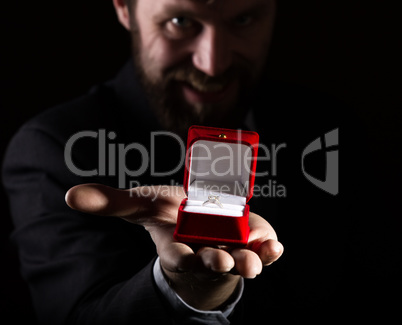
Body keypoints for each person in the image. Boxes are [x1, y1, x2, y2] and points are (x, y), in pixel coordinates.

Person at [2, 0, 396, 324]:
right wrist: (182, 290)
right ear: (125, 9)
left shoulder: (328, 127)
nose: (214, 64)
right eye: (180, 21)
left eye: (243, 18)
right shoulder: (55, 146)